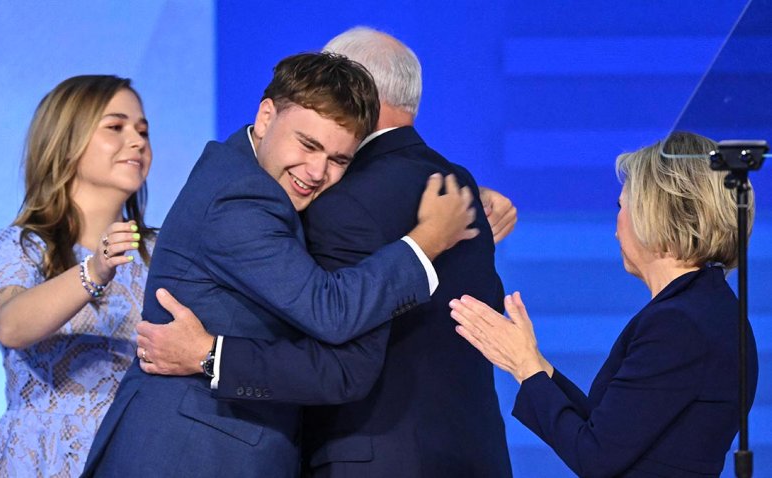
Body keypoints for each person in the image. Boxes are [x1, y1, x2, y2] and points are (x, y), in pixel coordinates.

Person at [138, 27, 514, 477]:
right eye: (309, 144)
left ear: (357, 98)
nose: (318, 172)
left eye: (336, 157)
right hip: (474, 456)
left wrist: (209, 355)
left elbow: (342, 352)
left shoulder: (345, 200)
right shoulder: (457, 186)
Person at [450, 131, 759, 477]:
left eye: (621, 206)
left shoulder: (680, 323)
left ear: (655, 214)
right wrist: (535, 363)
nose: (616, 225)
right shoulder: (700, 306)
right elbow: (608, 428)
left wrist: (525, 368)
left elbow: (596, 456)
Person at [0, 75, 156, 476]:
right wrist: (95, 269)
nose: (138, 140)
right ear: (65, 142)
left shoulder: (163, 254)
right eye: (116, 127)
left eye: (143, 130)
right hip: (43, 459)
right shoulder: (19, 247)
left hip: (136, 456)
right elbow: (10, 324)